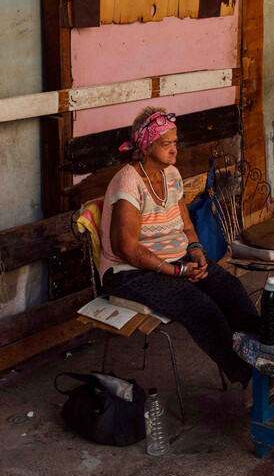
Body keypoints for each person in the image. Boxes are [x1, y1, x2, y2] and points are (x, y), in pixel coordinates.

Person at [99, 107, 258, 386]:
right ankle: (249, 375)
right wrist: (178, 271)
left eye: (175, 143)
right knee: (200, 307)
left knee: (230, 289)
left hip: (177, 259)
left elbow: (185, 226)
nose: (174, 150)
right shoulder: (129, 181)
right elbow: (126, 249)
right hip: (129, 271)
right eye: (166, 144)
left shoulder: (171, 173)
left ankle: (267, 354)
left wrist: (196, 250)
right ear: (146, 147)